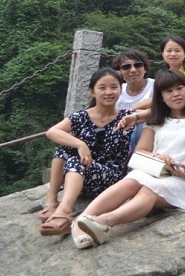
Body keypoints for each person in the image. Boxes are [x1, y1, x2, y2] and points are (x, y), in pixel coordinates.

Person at [72, 70, 185, 248]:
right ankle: (81, 220)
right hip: (156, 171)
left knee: (148, 191)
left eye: (180, 88)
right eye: (168, 91)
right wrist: (157, 156)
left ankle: (103, 222)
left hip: (183, 180)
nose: (176, 94)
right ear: (161, 97)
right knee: (131, 180)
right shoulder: (156, 120)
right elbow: (141, 151)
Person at [40, 68, 134, 236]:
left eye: (114, 87)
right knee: (64, 149)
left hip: (112, 180)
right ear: (92, 91)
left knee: (75, 160)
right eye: (102, 88)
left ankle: (64, 211)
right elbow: (52, 132)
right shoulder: (81, 116)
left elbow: (156, 112)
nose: (108, 92)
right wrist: (80, 144)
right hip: (79, 179)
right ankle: (51, 200)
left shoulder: (128, 117)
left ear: (121, 90)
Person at [114, 49, 155, 151]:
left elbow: (160, 104)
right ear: (119, 72)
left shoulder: (156, 86)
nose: (133, 70)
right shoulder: (117, 90)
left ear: (145, 69)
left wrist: (130, 111)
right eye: (126, 67)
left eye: (138, 65)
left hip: (147, 135)